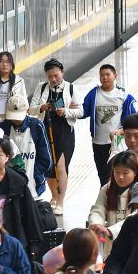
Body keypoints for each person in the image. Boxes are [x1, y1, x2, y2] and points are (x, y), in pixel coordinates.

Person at [30, 58, 83, 215]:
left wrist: (65, 111)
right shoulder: (41, 88)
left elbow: (80, 111)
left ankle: (60, 201)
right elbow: (30, 109)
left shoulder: (72, 88)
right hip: (45, 130)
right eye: (50, 76)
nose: (53, 79)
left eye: (56, 75)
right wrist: (42, 107)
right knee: (48, 166)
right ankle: (53, 196)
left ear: (62, 72)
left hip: (64, 131)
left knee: (61, 167)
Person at [82, 64, 137, 186]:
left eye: (108, 75)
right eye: (102, 75)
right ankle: (106, 198)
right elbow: (83, 112)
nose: (105, 78)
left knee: (116, 172)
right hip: (98, 142)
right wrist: (70, 108)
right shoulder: (94, 94)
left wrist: (122, 131)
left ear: (115, 76)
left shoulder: (124, 95)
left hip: (117, 143)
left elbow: (133, 119)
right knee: (102, 174)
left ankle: (115, 197)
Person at [0, 95, 53, 200]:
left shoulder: (36, 125)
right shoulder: (1, 128)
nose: (16, 120)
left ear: (27, 111)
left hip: (34, 188)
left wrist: (37, 178)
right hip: (7, 188)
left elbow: (46, 158)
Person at [88, 150, 138, 253]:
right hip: (111, 244)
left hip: (134, 244)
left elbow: (137, 215)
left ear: (135, 172)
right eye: (117, 172)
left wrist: (111, 231)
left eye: (125, 173)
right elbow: (98, 209)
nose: (120, 177)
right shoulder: (107, 188)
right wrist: (96, 224)